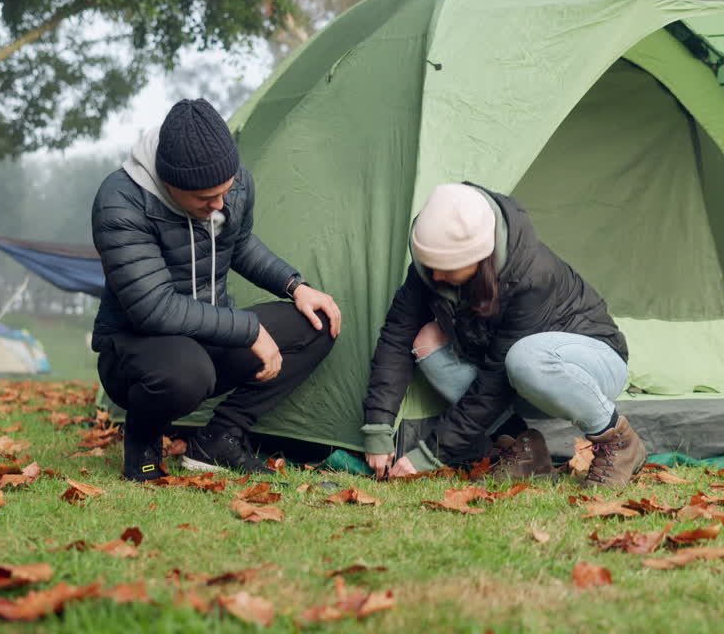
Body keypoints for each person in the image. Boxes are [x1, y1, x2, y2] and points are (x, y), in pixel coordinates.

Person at [91, 98, 342, 482]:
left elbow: (238, 245)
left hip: (209, 334)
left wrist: (295, 286)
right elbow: (154, 308)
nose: (220, 205)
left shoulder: (231, 183)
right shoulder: (121, 200)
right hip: (136, 349)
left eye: (226, 191)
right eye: (206, 199)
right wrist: (250, 330)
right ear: (170, 184)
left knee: (317, 322)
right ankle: (142, 442)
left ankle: (219, 439)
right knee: (187, 373)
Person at [362, 183, 645, 488]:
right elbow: (397, 336)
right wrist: (378, 427)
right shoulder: (431, 268)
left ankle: (617, 440)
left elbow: (494, 380)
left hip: (592, 366)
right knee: (427, 339)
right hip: (519, 379)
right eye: (430, 267)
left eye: (447, 268)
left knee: (525, 357)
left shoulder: (533, 276)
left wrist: (432, 454)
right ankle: (521, 447)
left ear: (480, 258)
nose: (436, 276)